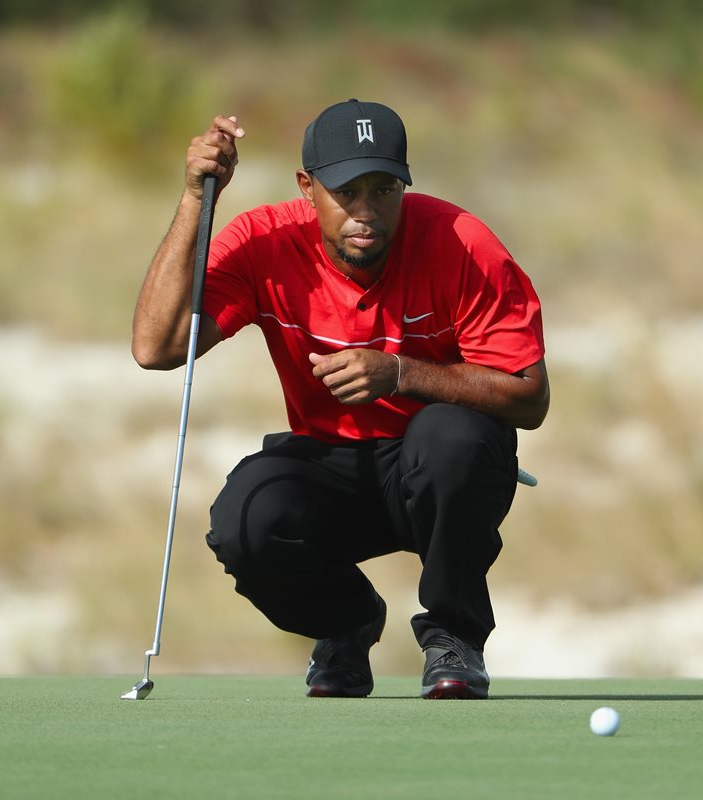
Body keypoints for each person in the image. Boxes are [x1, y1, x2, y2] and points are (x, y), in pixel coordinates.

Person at [131, 99, 549, 699]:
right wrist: (199, 200)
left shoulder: (461, 242)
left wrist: (403, 373)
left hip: (439, 471)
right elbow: (156, 346)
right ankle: (346, 624)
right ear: (307, 186)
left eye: (383, 190)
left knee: (451, 437)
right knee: (245, 521)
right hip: (329, 464)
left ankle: (453, 636)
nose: (366, 212)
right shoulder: (263, 241)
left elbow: (529, 398)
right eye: (347, 191)